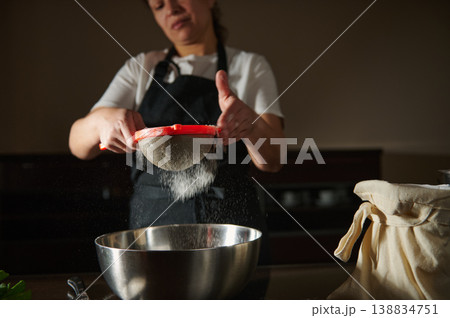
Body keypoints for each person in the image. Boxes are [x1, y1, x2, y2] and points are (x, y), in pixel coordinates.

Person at [69, 0, 284, 265]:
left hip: (230, 233)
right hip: (153, 231)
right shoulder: (141, 67)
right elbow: (77, 142)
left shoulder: (249, 66)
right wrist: (102, 121)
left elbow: (274, 159)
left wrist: (250, 124)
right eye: (158, 5)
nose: (170, 9)